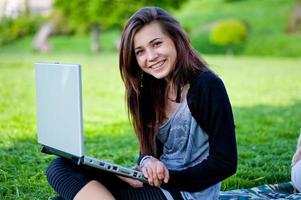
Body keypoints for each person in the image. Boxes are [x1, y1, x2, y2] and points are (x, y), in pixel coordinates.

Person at [46, 7, 237, 200]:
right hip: (152, 183)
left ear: (176, 40)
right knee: (59, 167)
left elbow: (225, 162)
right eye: (140, 51)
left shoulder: (207, 86)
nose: (151, 56)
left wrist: (167, 179)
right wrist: (146, 162)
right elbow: (147, 151)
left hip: (186, 193)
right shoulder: (149, 90)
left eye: (156, 44)